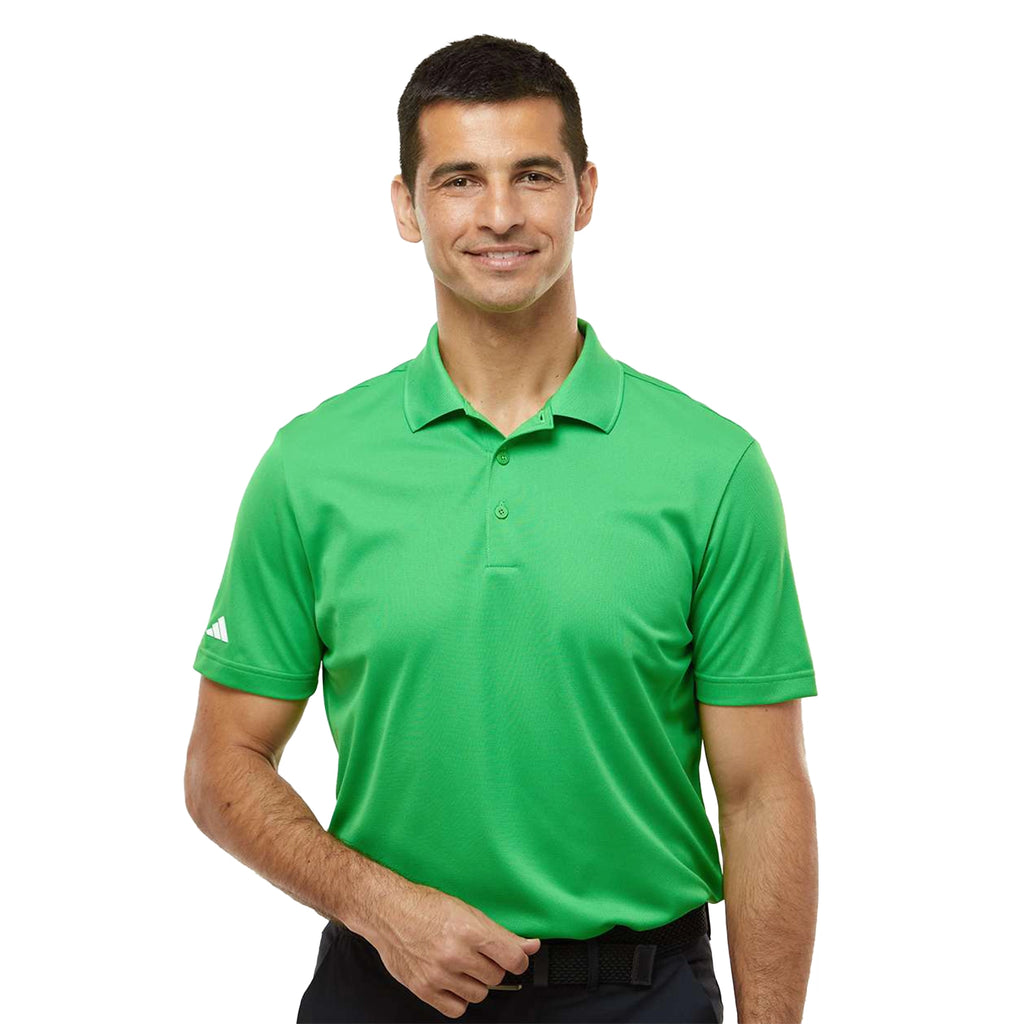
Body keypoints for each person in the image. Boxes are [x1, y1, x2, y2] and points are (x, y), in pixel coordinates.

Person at [185, 33, 819, 1024]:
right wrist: (378, 906)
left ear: (585, 193)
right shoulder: (311, 467)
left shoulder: (711, 468)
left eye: (532, 175)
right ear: (407, 206)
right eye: (459, 180)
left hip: (639, 995)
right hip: (383, 985)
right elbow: (221, 762)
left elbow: (762, 792)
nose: (498, 214)